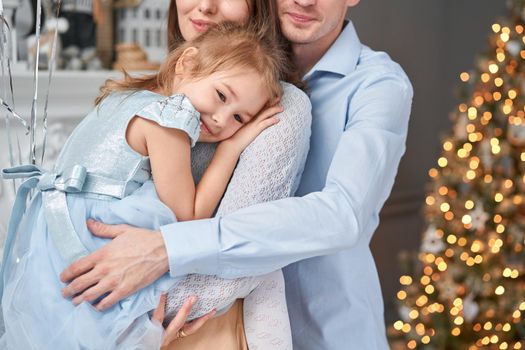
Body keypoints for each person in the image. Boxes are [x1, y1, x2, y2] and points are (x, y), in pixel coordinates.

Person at [62, 0, 414, 348]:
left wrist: (169, 249)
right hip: (221, 322)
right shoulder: (205, 88)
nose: (304, 1)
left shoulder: (377, 85)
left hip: (323, 328)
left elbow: (342, 214)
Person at [0, 23, 299, 349]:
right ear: (187, 63)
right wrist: (230, 149)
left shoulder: (122, 99)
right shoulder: (168, 121)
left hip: (51, 241)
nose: (221, 120)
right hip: (90, 239)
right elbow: (189, 219)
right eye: (222, 95)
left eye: (240, 119)